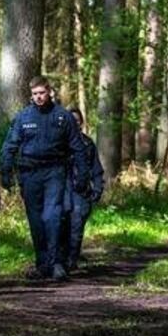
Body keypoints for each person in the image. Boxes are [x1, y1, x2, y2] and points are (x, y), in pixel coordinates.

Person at [0, 75, 88, 282]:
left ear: (50, 92)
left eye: (42, 93)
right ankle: (42, 263)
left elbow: (78, 147)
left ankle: (56, 263)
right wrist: (5, 171)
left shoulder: (63, 117)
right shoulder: (23, 117)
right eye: (35, 94)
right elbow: (10, 145)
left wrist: (82, 175)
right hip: (29, 173)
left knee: (52, 216)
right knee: (36, 220)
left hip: (55, 171)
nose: (39, 97)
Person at [62, 107, 104, 271]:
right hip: (62, 189)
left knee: (77, 225)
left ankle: (71, 260)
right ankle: (58, 260)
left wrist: (97, 189)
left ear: (82, 123)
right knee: (60, 225)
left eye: (77, 121)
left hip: (81, 191)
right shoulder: (58, 143)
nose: (75, 124)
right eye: (71, 121)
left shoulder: (88, 143)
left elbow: (96, 169)